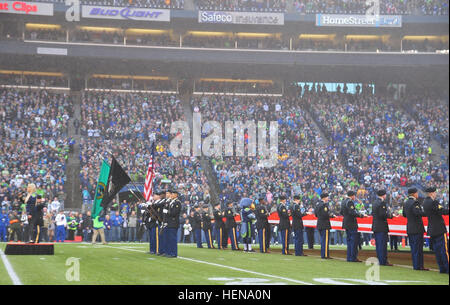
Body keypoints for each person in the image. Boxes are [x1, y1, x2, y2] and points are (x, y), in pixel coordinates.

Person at [422, 186, 449, 274]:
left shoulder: (425, 202)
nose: (435, 194)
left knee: (437, 250)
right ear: (431, 193)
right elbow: (443, 211)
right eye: (435, 192)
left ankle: (442, 268)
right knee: (444, 250)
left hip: (432, 229)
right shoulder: (433, 202)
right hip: (439, 228)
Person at [403, 187, 428, 271]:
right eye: (416, 193)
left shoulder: (406, 203)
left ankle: (416, 265)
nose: (417, 194)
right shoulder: (415, 202)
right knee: (418, 248)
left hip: (410, 227)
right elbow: (417, 213)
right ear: (414, 194)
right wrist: (427, 213)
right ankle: (419, 266)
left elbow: (404, 214)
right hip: (417, 228)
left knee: (413, 248)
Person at [372, 189, 393, 266]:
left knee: (379, 245)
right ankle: (383, 261)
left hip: (376, 226)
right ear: (384, 195)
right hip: (381, 226)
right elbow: (382, 214)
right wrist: (390, 215)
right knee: (382, 245)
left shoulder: (374, 202)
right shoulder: (382, 203)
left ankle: (380, 260)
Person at [341, 191, 364, 262]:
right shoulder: (350, 202)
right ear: (352, 196)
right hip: (351, 223)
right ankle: (353, 257)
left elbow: (341, 212)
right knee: (354, 241)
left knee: (349, 241)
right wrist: (360, 215)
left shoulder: (343, 201)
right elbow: (352, 212)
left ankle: (349, 257)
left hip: (346, 223)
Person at [163, 187, 181, 258]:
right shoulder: (171, 202)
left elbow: (174, 212)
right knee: (169, 238)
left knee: (173, 239)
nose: (172, 195)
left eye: (173, 194)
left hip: (173, 222)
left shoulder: (177, 203)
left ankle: (174, 253)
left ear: (176, 195)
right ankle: (169, 252)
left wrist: (167, 212)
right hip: (169, 222)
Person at [316, 193, 334, 259]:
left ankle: (323, 254)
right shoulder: (324, 205)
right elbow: (325, 214)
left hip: (319, 224)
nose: (328, 198)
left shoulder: (318, 204)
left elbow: (316, 214)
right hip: (325, 224)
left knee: (323, 240)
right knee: (325, 241)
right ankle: (325, 255)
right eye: (327, 197)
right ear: (324, 198)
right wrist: (331, 216)